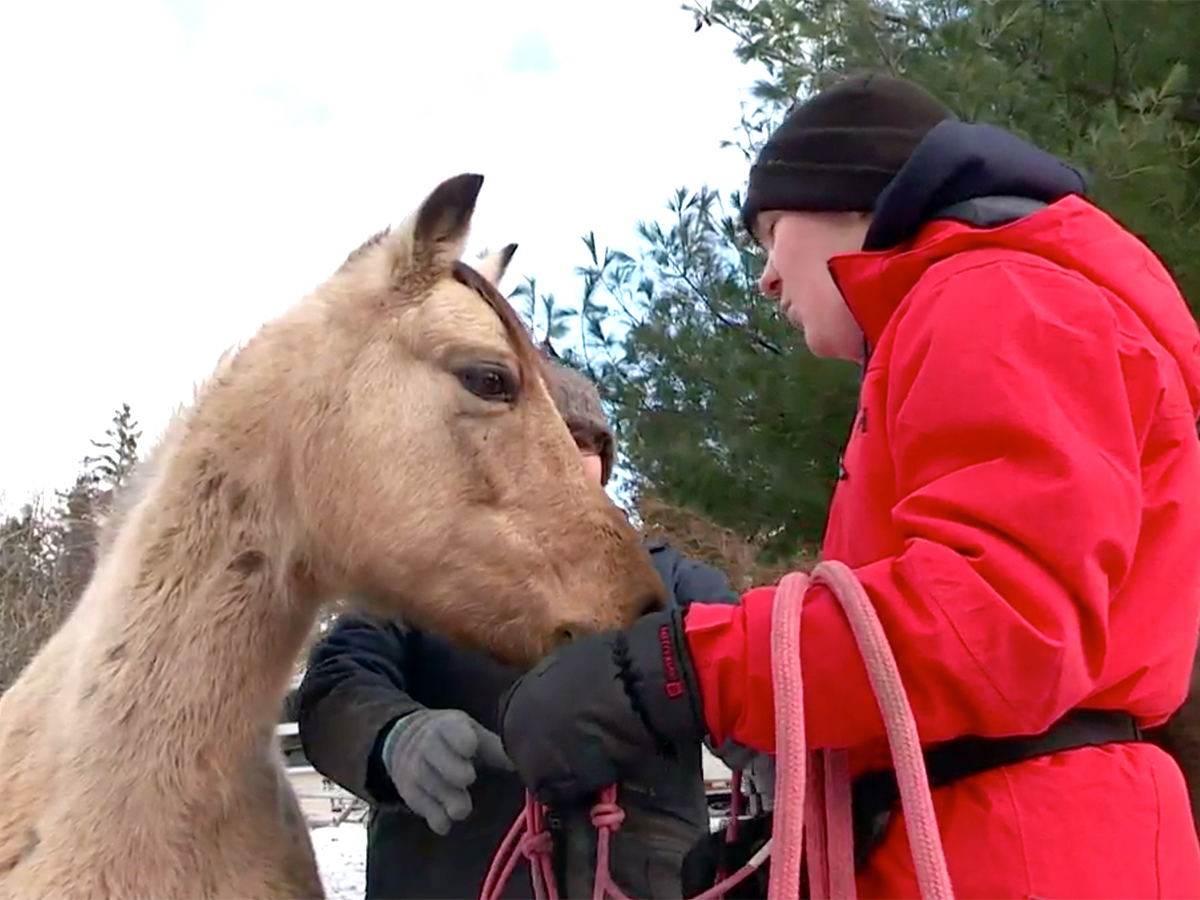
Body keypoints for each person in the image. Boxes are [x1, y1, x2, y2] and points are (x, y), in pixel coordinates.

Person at [498, 71, 1200, 899]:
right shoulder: (985, 308)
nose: (763, 278)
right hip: (1004, 834)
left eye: (770, 231)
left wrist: (677, 672)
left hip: (1017, 849)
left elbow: (991, 623)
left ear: (851, 199)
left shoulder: (993, 293)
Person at [295, 357, 740, 900]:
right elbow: (334, 682)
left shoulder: (673, 582)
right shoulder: (419, 581)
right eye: (531, 438)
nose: (553, 459)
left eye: (576, 442)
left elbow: (754, 664)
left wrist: (765, 739)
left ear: (603, 460)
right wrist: (392, 737)